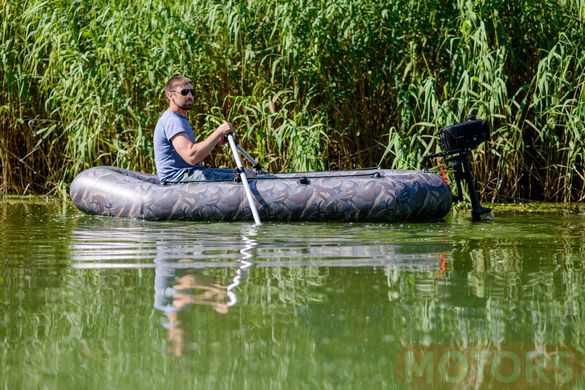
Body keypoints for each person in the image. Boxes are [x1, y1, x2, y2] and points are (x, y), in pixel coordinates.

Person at [154, 75, 238, 184]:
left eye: (192, 92)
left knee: (245, 173)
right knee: (241, 177)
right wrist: (219, 131)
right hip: (176, 179)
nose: (189, 96)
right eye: (184, 92)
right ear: (171, 96)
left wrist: (215, 143)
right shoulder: (172, 120)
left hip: (189, 173)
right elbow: (191, 156)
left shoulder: (179, 118)